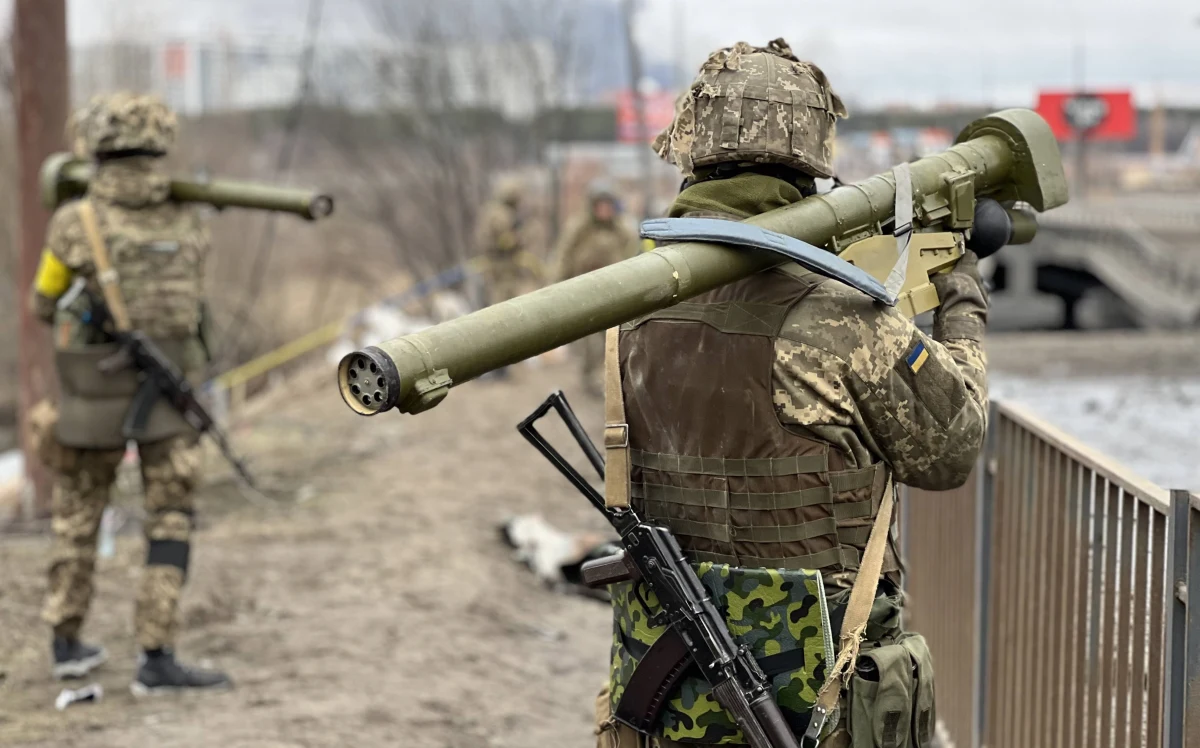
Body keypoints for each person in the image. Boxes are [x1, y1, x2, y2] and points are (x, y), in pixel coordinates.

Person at [594, 40, 988, 748]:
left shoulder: (632, 310)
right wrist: (960, 289)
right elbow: (951, 450)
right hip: (818, 704)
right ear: (811, 158)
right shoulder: (838, 318)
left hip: (672, 707)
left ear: (691, 150)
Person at [28, 92, 231, 694]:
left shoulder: (74, 221)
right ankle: (157, 653)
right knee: (170, 520)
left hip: (93, 398)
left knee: (78, 519)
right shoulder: (187, 218)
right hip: (169, 399)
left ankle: (66, 643)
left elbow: (44, 302)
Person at [554, 181, 639, 396]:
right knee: (590, 342)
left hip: (614, 293)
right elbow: (564, 257)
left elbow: (633, 258)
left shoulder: (622, 230)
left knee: (614, 340)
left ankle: (613, 380)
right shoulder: (579, 229)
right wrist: (557, 286)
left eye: (608, 205)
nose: (604, 210)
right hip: (584, 292)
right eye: (600, 205)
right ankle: (590, 379)